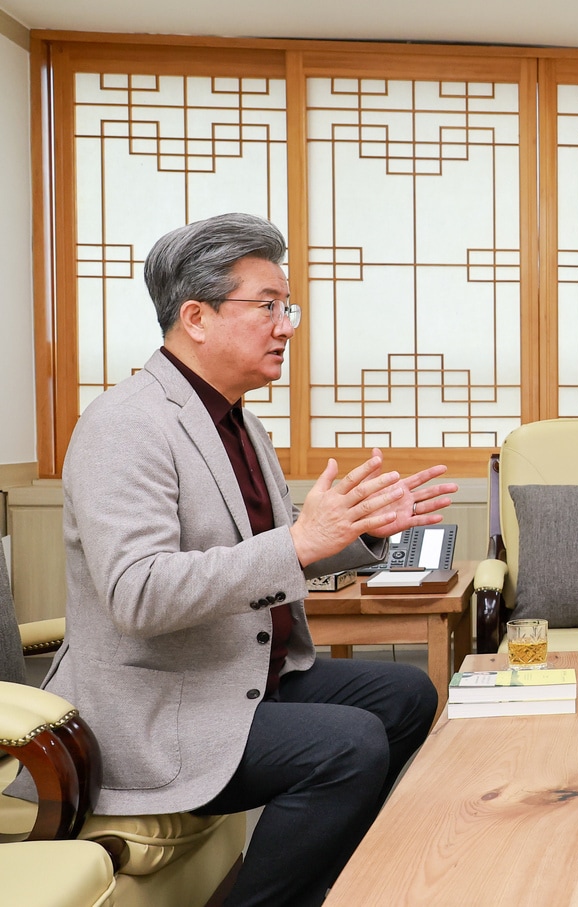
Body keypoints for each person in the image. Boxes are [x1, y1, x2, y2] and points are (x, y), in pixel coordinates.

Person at [24, 213, 458, 907]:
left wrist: (358, 533)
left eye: (289, 307)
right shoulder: (124, 424)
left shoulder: (237, 418)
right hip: (157, 706)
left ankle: (314, 885)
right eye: (269, 306)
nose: (287, 324)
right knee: (347, 746)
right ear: (196, 316)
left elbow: (275, 542)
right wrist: (298, 541)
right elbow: (137, 594)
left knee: (405, 695)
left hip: (238, 678)